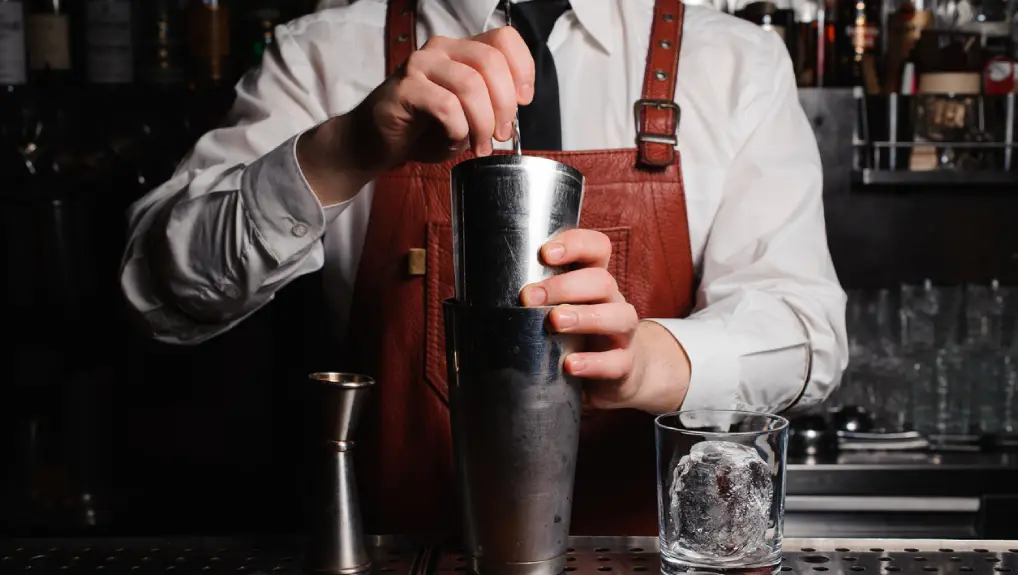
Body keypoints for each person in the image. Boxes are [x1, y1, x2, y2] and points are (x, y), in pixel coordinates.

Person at [120, 0, 848, 535]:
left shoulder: (735, 62)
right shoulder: (324, 53)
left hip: (649, 554)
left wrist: (654, 359)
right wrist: (347, 147)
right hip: (401, 551)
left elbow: (807, 331)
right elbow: (157, 294)